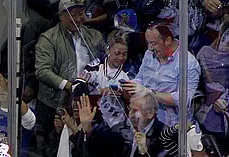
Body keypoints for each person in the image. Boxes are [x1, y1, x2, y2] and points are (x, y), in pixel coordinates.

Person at [34, 0, 105, 133]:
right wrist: (69, 86)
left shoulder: (94, 36)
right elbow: (42, 71)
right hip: (54, 103)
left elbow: (104, 61)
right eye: (73, 15)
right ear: (61, 16)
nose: (77, 19)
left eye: (81, 14)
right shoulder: (48, 38)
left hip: (86, 101)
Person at [122, 23, 201, 127]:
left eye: (153, 43)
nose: (150, 48)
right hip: (147, 119)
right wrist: (130, 85)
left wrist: (149, 92)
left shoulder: (188, 63)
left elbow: (183, 100)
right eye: (148, 43)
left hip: (172, 125)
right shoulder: (149, 54)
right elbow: (141, 78)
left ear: (167, 41)